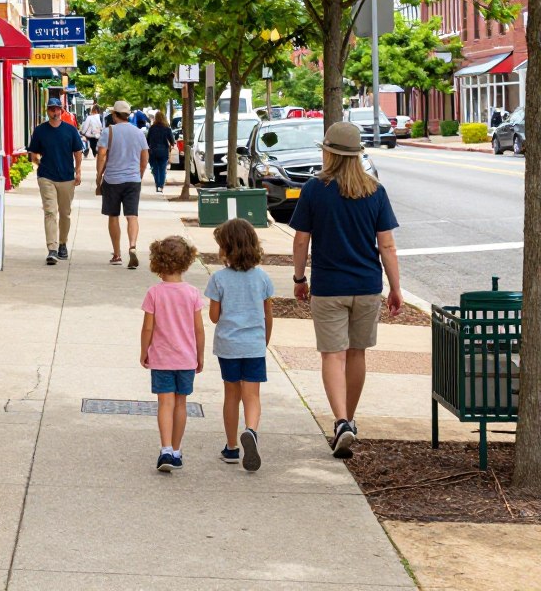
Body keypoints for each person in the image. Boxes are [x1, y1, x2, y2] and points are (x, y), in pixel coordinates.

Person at [290, 121, 402, 459]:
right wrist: (395, 288)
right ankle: (349, 420)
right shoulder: (375, 191)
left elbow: (300, 239)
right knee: (357, 354)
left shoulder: (313, 190)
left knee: (332, 355)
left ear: (328, 152)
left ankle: (340, 421)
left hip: (328, 286)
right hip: (367, 284)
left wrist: (299, 278)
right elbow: (387, 246)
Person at [205, 219, 275, 472]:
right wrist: (263, 341)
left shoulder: (218, 279)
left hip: (229, 346)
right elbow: (268, 315)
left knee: (231, 395)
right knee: (252, 395)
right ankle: (251, 431)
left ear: (225, 248)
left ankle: (232, 447)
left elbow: (214, 317)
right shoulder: (263, 278)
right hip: (254, 344)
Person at [140, 236, 205, 473]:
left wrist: (144, 350)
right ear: (187, 261)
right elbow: (198, 328)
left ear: (157, 261)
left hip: (162, 358)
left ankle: (165, 448)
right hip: (186, 358)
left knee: (164, 403)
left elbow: (148, 327)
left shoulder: (154, 293)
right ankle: (177, 451)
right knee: (181, 403)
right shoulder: (192, 293)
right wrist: (200, 355)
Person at [28, 97, 83, 265]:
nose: (54, 112)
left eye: (57, 109)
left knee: (65, 213)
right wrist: (38, 162)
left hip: (66, 177)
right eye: (51, 109)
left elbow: (78, 151)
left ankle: (62, 244)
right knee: (50, 211)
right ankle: (52, 249)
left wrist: (78, 170)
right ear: (47, 111)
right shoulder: (40, 131)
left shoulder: (70, 130)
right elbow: (33, 152)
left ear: (61, 111)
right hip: (46, 176)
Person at [96, 100, 148, 268]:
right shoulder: (139, 133)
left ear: (114, 115)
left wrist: (99, 175)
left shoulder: (108, 131)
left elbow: (102, 154)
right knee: (132, 215)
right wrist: (140, 173)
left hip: (112, 180)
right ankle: (132, 246)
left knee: (113, 216)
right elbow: (144, 156)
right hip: (133, 179)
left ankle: (117, 254)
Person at [146, 111, 175, 193]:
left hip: (153, 151)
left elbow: (147, 141)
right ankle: (161, 186)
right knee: (162, 169)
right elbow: (172, 141)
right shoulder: (167, 128)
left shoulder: (152, 128)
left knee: (155, 169)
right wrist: (172, 145)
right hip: (163, 151)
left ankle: (157, 184)